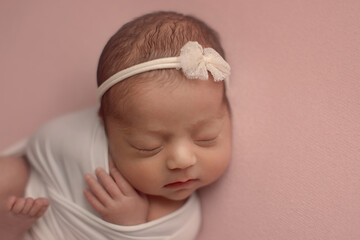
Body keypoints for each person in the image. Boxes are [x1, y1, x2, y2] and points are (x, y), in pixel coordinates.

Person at [0, 11, 232, 239]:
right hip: (31, 190)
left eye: (206, 137)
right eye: (147, 146)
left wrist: (129, 224)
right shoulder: (88, 137)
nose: (182, 160)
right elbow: (46, 145)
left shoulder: (180, 224)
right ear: (105, 125)